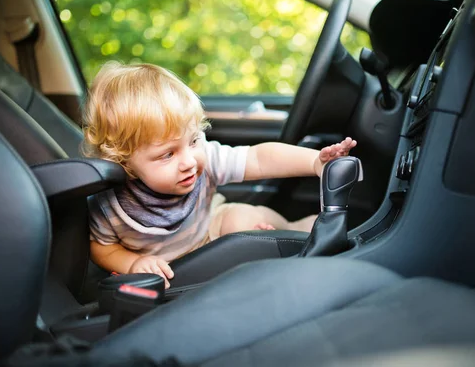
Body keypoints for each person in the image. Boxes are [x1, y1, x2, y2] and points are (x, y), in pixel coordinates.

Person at [83, 62, 357, 287]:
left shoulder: (206, 160)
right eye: (168, 154)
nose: (189, 161)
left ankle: (300, 230)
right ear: (124, 162)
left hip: (212, 229)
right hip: (173, 270)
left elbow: (258, 159)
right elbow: (101, 248)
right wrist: (131, 263)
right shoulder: (111, 205)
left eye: (193, 141)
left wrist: (314, 162)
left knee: (241, 219)